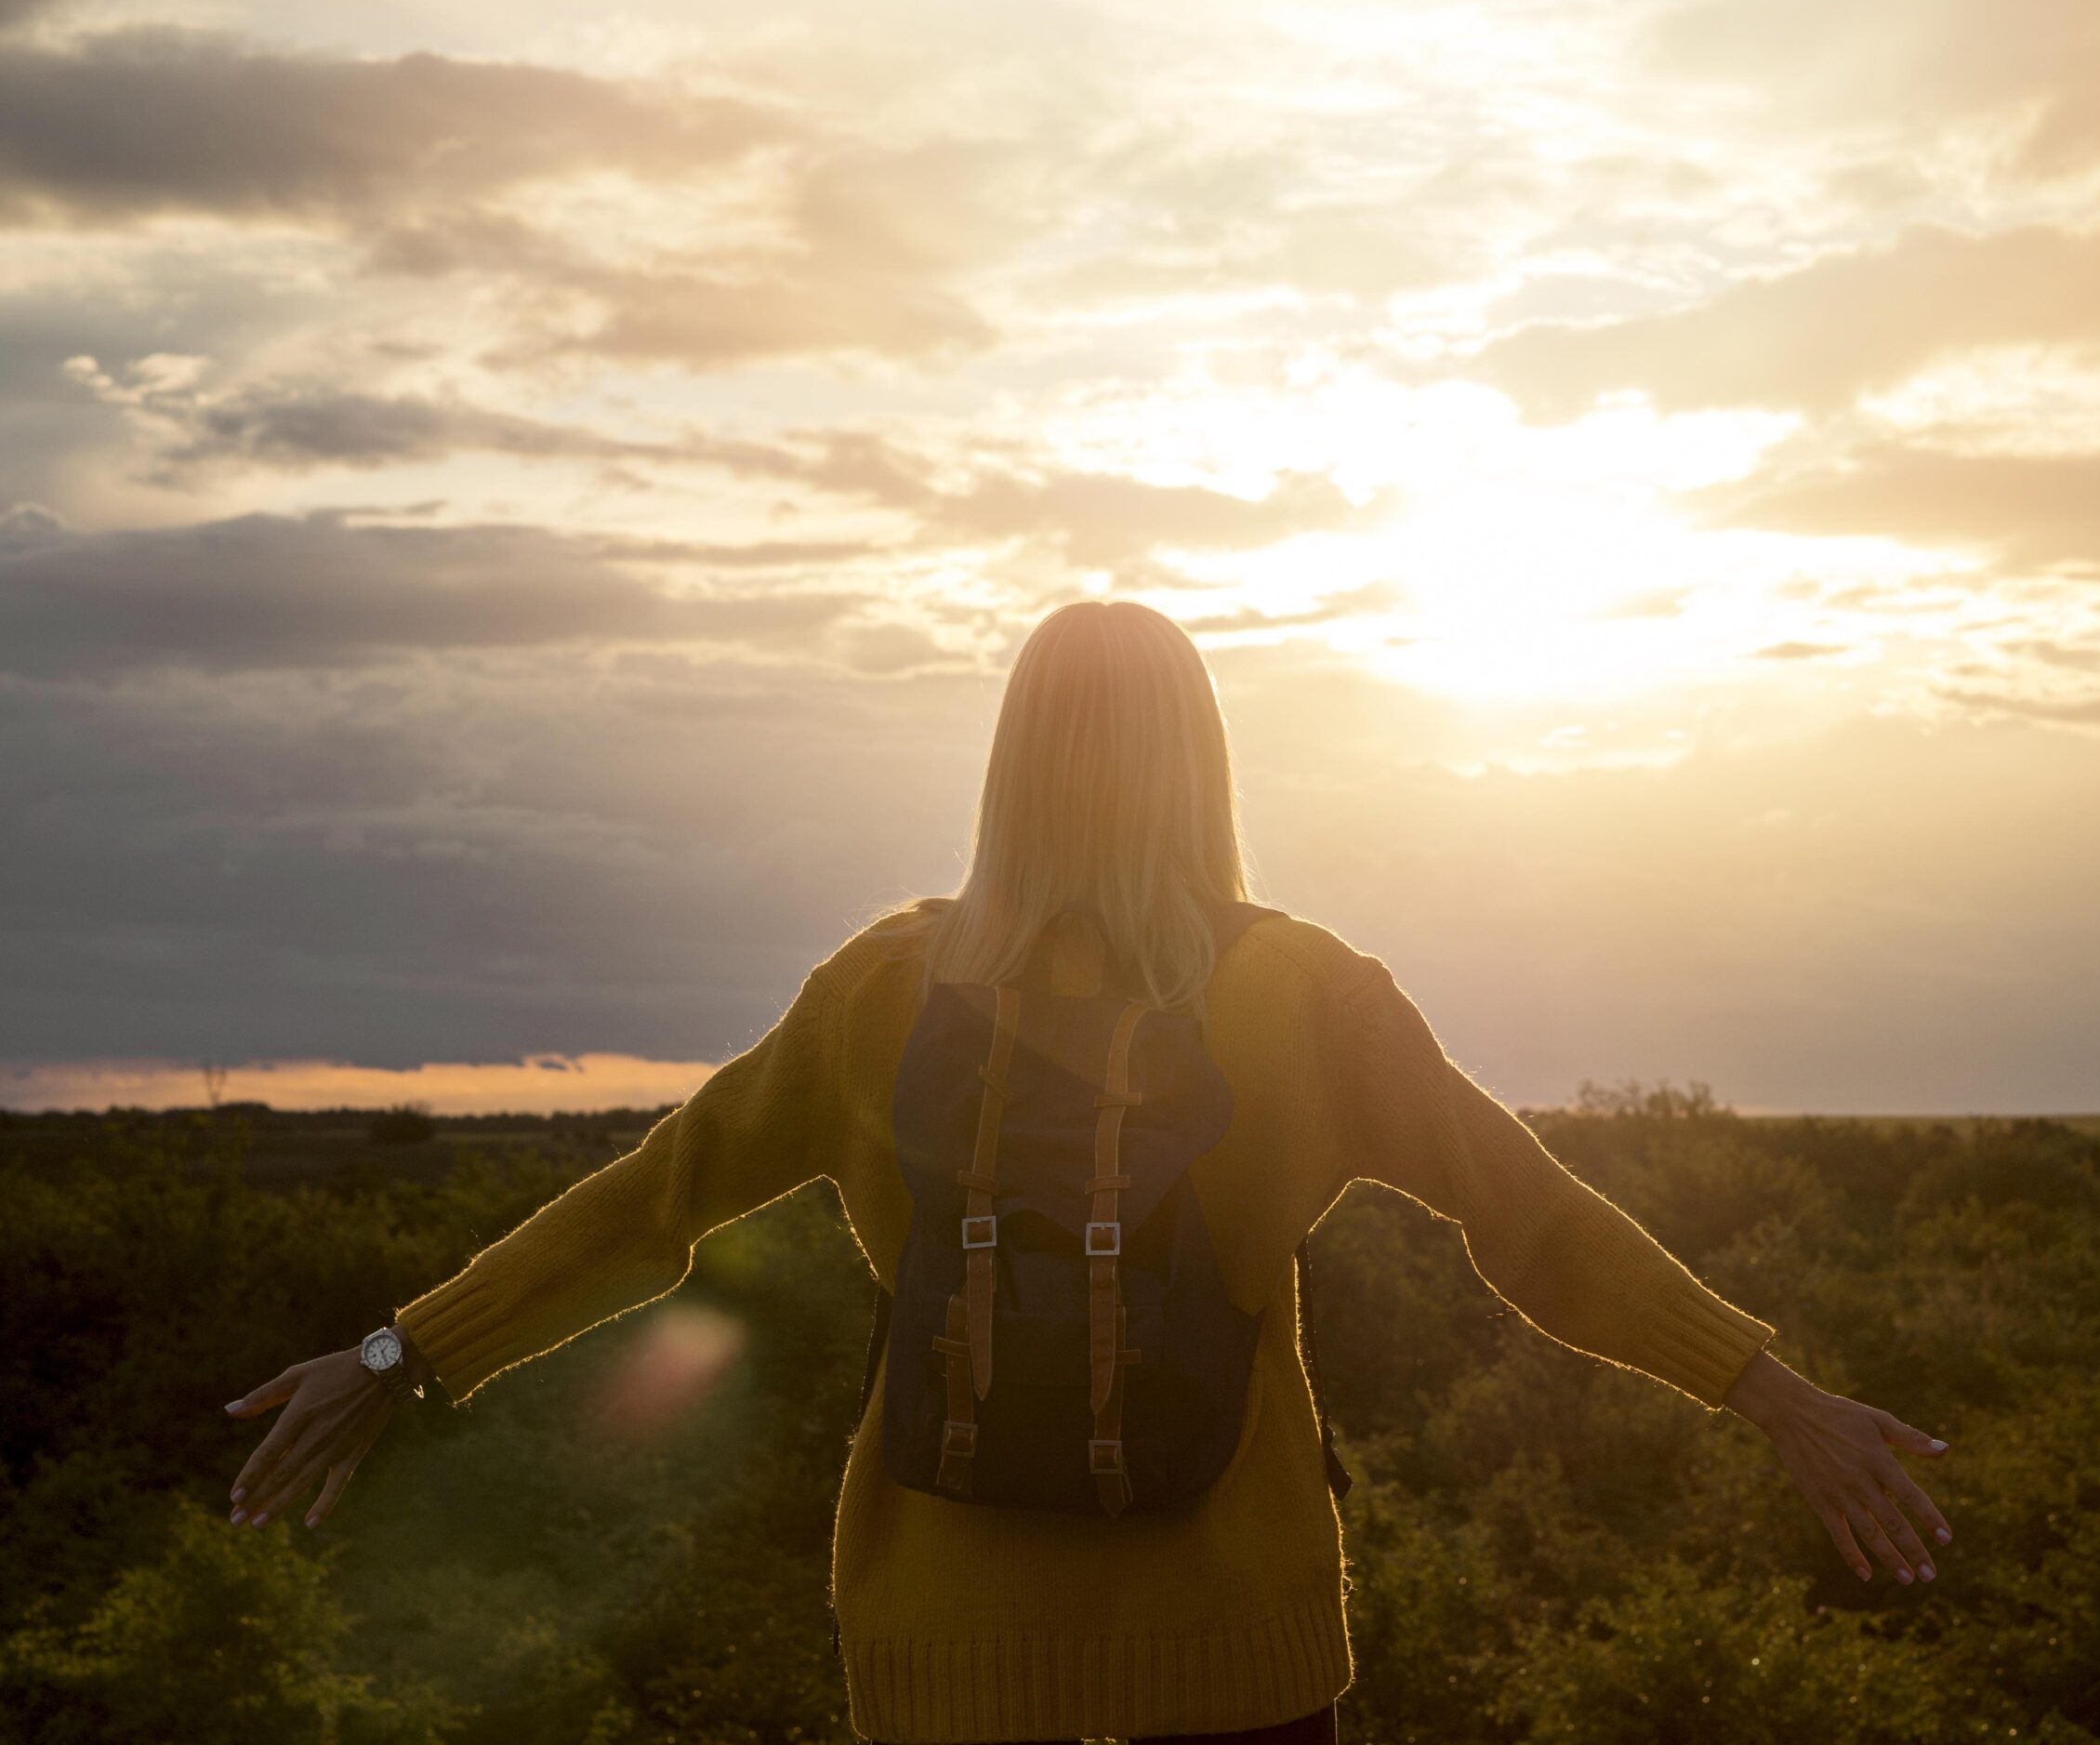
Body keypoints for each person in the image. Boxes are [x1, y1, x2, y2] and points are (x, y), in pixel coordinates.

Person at [223, 599, 1953, 1744]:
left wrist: (398, 1355)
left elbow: (650, 1205)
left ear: (1007, 765)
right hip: (1241, 1643)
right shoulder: (1299, 996)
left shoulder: (884, 993)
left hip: (944, 1653)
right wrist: (1771, 1391)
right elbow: (1535, 1225)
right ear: (1204, 765)